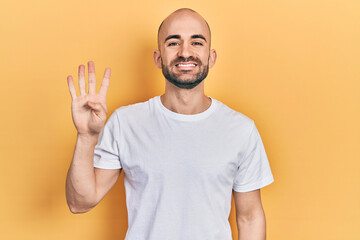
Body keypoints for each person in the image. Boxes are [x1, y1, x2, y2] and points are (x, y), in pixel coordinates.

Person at [65, 8, 274, 240]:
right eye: (173, 43)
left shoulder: (241, 130)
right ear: (158, 57)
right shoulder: (125, 123)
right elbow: (80, 202)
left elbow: (250, 217)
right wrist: (86, 137)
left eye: (197, 42)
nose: (185, 52)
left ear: (211, 57)